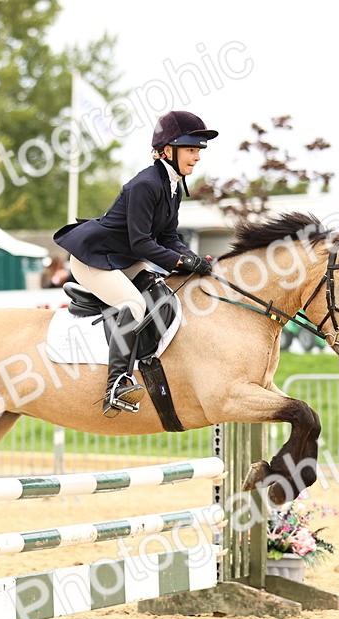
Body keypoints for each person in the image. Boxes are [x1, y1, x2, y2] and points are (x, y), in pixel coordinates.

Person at [53, 110, 217, 417]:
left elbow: (168, 236)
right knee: (133, 304)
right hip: (95, 258)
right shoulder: (146, 184)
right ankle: (117, 384)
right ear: (168, 150)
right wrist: (181, 260)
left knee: (160, 292)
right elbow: (143, 242)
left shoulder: (172, 185)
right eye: (191, 149)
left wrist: (191, 259)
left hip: (123, 259)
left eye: (198, 151)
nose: (197, 157)